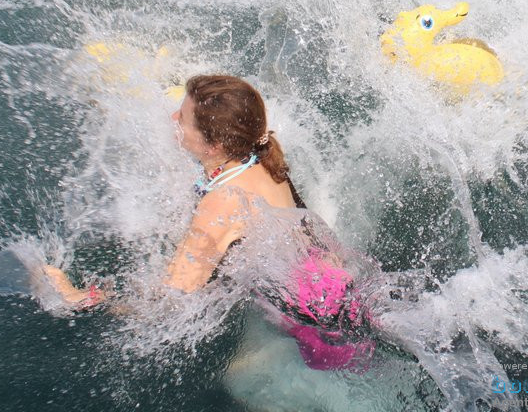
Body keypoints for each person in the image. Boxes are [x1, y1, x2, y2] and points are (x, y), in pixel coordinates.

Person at [42, 74, 374, 370]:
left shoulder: (221, 204)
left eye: (182, 118)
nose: (172, 118)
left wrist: (86, 300)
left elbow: (171, 303)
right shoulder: (259, 151)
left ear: (214, 144)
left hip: (321, 332)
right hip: (334, 284)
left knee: (236, 381)